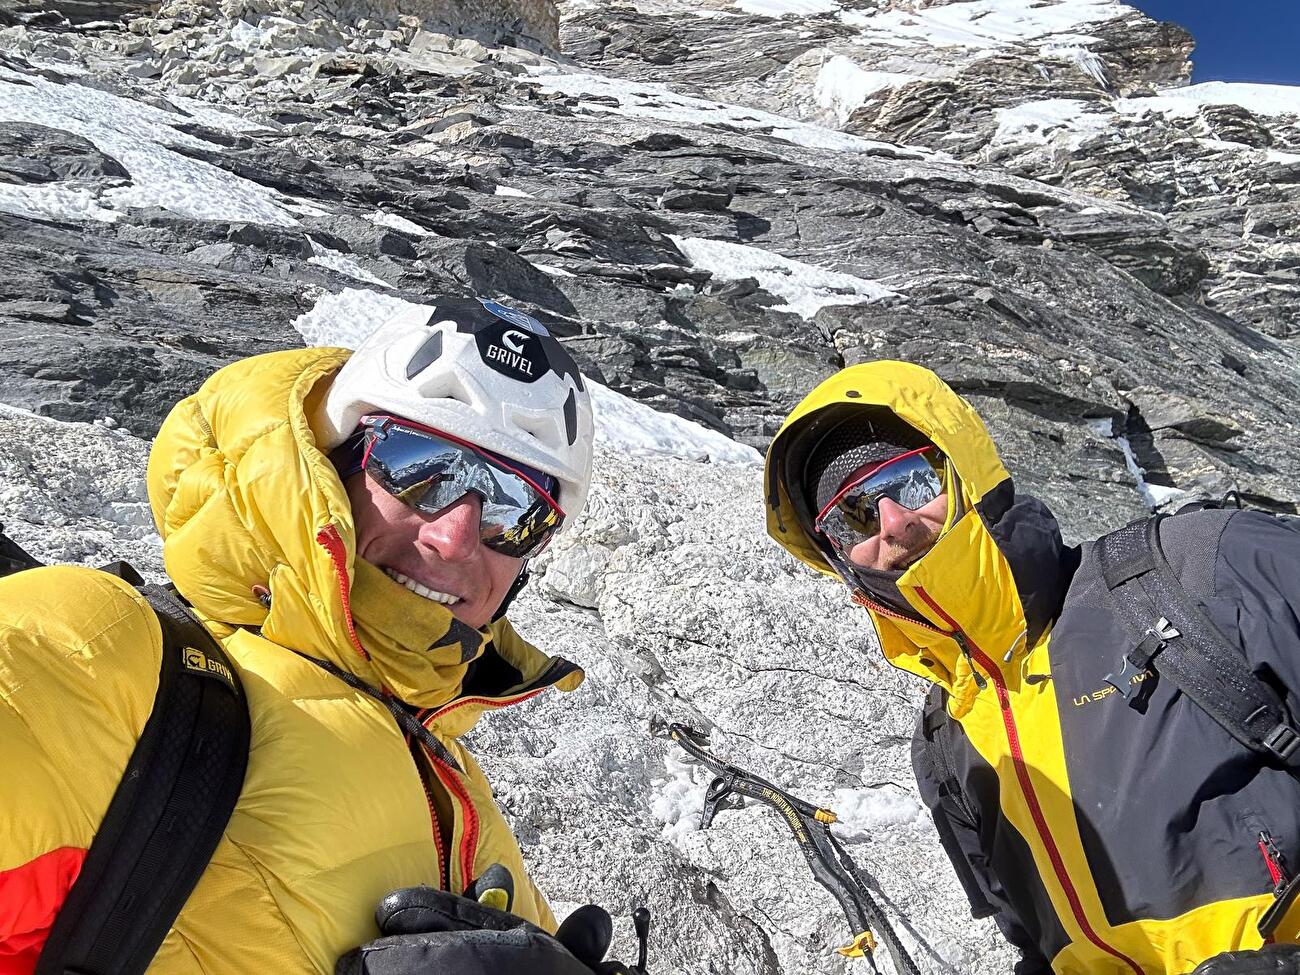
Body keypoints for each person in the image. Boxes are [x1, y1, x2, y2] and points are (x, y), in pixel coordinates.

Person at [0, 297, 629, 973]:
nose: (454, 537)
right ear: (336, 461)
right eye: (422, 466)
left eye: (517, 508)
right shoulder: (98, 652)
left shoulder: (449, 772)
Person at [763, 360, 1300, 975]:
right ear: (838, 556)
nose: (894, 522)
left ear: (964, 470)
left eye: (912, 480)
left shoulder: (1209, 566)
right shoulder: (947, 746)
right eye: (852, 513)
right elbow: (1038, 946)